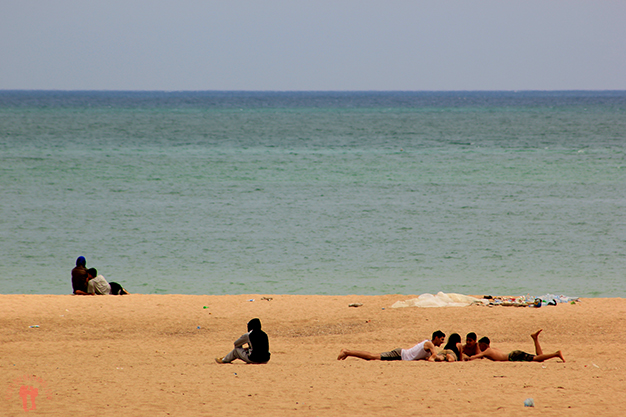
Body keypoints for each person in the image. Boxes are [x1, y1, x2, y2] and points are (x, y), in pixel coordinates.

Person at [337, 330, 445, 362]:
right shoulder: (430, 344)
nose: (442, 342)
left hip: (401, 355)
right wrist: (439, 358)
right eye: (441, 339)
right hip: (400, 354)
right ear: (436, 337)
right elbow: (433, 357)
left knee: (372, 357)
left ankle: (348, 352)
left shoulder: (428, 344)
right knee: (372, 357)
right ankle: (347, 352)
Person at [470, 329, 565, 362]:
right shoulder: (493, 349)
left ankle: (556, 354)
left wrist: (468, 357)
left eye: (480, 345)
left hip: (513, 356)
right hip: (513, 354)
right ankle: (535, 339)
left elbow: (475, 357)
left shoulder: (488, 351)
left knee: (537, 359)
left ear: (483, 345)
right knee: (539, 358)